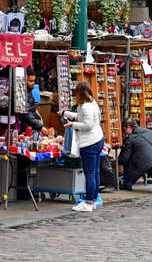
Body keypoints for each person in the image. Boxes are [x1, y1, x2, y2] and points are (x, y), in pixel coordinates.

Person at [63, 82, 104, 212]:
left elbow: (87, 125)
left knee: (90, 173)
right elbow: (82, 117)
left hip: (90, 143)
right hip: (98, 139)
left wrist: (73, 125)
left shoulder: (85, 106)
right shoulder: (92, 103)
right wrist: (66, 113)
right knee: (95, 172)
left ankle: (89, 202)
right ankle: (94, 198)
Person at [118, 118, 152, 193]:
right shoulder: (148, 132)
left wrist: (117, 161)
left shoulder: (131, 138)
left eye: (125, 129)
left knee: (127, 163)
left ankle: (127, 184)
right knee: (150, 163)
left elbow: (125, 158)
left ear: (129, 127)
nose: (125, 132)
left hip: (148, 166)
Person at [19, 68, 48, 135]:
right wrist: (40, 126)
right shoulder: (22, 93)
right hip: (25, 127)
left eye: (34, 81)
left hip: (31, 126)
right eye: (30, 81)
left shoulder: (29, 91)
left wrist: (39, 122)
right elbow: (26, 113)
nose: (33, 83)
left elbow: (32, 110)